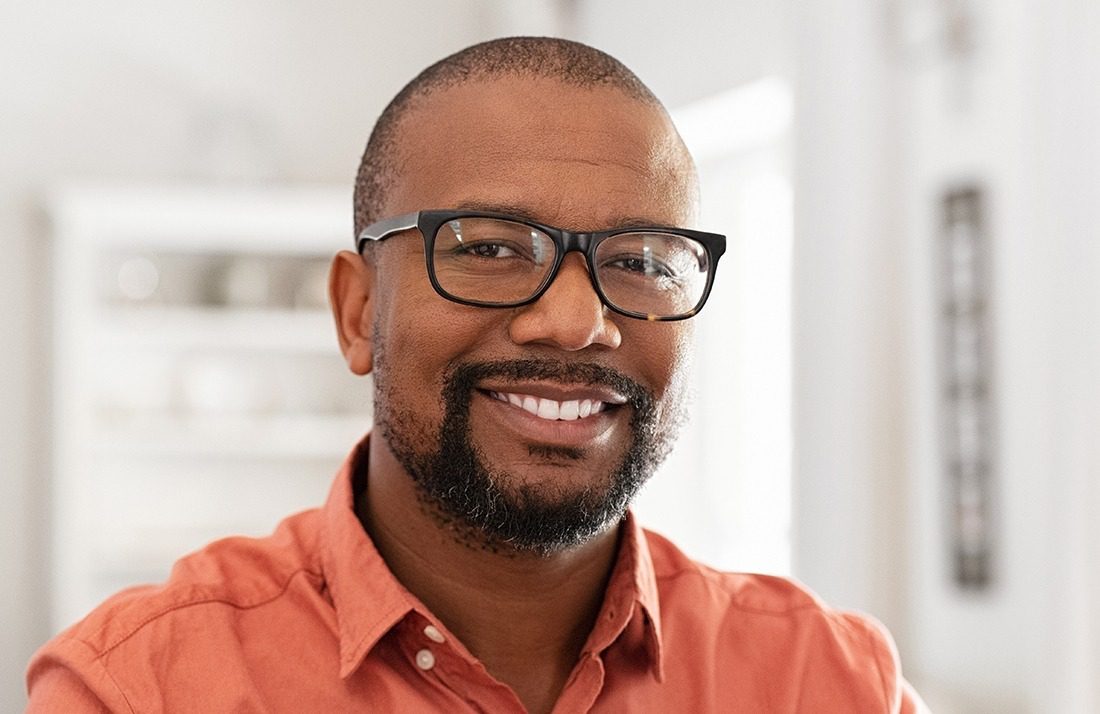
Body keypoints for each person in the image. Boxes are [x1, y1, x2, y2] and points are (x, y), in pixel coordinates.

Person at [27, 37, 926, 713]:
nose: (577, 322)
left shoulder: (826, 682)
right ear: (356, 313)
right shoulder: (140, 690)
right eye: (492, 247)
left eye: (643, 261)